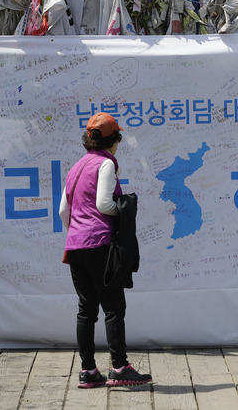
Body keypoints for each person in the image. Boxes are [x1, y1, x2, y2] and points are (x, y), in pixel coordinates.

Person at [59, 112, 152, 388]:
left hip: (75, 245)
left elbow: (64, 210)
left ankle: (88, 371)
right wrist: (122, 209)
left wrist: (77, 230)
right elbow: (103, 204)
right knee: (113, 307)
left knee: (86, 310)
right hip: (100, 244)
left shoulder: (76, 167)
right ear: (114, 141)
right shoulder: (106, 165)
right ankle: (120, 367)